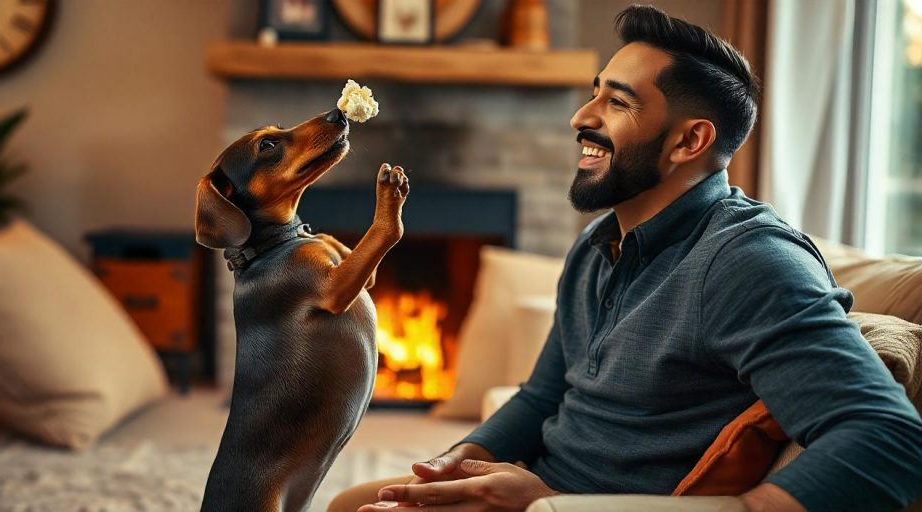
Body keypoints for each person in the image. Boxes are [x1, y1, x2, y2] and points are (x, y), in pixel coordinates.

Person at [330, 5, 922, 512]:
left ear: (689, 141)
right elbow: (542, 396)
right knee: (347, 502)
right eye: (594, 94)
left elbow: (888, 439)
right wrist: (453, 465)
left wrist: (548, 505)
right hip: (539, 489)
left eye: (617, 103)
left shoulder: (748, 260)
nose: (581, 118)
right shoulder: (597, 245)